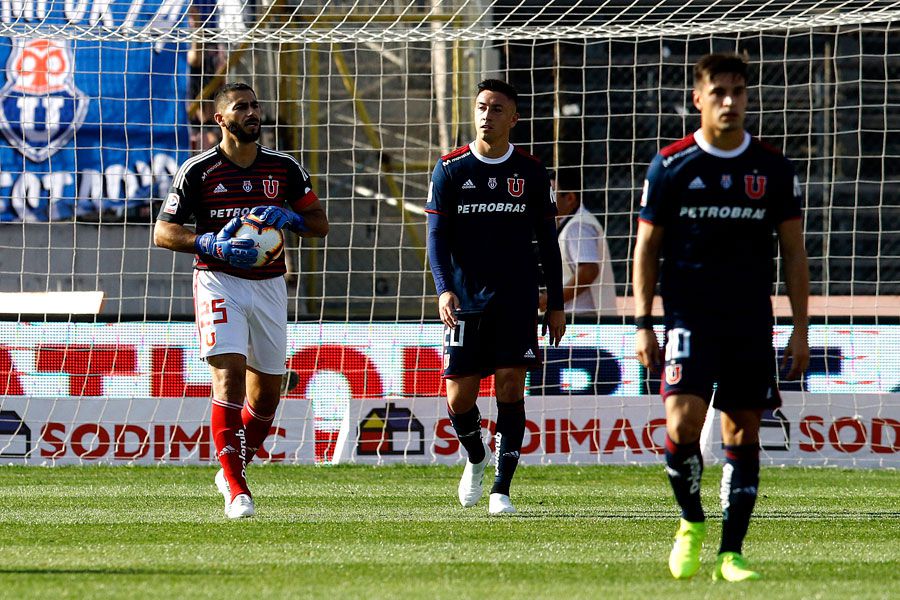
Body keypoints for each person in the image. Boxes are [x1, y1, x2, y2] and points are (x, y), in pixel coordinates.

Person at [632, 53, 809, 581]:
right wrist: (643, 322)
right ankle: (691, 522)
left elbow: (794, 252)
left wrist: (801, 327)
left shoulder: (772, 167)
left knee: (742, 431)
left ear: (748, 98)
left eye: (738, 92)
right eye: (719, 93)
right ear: (698, 98)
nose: (729, 102)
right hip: (688, 315)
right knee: (681, 422)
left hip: (750, 320)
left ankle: (732, 553)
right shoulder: (672, 164)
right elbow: (647, 247)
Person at [153, 82, 328, 518]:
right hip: (218, 280)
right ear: (220, 119)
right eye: (241, 107)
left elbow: (319, 223)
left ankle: (231, 466)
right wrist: (210, 243)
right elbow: (162, 232)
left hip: (270, 285)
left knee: (267, 395)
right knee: (228, 378)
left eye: (255, 104)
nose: (252, 112)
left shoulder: (284, 168)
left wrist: (292, 217)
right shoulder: (199, 170)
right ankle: (236, 486)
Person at [425, 79, 566, 515]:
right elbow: (435, 236)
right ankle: (476, 456)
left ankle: (502, 489)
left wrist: (556, 302)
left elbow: (547, 241)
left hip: (516, 299)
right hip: (465, 301)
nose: (487, 115)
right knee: (459, 398)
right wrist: (443, 289)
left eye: (497, 109)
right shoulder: (450, 169)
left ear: (514, 118)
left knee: (510, 388)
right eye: (481, 107)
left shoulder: (530, 172)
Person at [539, 166, 617, 316]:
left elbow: (588, 271)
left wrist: (551, 300)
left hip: (583, 319)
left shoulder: (578, 226)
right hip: (576, 318)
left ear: (570, 198)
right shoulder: (566, 222)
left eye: (551, 193)